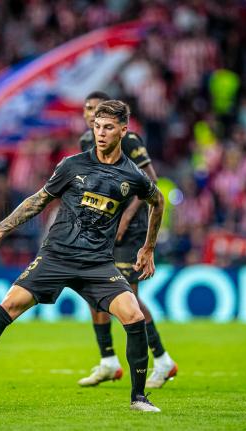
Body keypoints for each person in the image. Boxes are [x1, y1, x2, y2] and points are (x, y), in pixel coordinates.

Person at [0, 100, 165, 412]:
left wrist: (148, 247)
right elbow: (38, 201)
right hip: (56, 256)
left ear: (123, 131)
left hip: (98, 263)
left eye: (109, 128)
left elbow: (158, 200)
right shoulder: (72, 165)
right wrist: (1, 229)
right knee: (9, 305)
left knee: (134, 316)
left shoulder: (132, 175)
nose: (101, 133)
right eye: (97, 126)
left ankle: (139, 398)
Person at [78, 91, 177, 389]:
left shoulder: (129, 140)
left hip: (129, 229)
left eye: (97, 111)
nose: (92, 116)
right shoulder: (86, 143)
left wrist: (125, 217)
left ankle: (162, 360)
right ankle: (108, 360)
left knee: (126, 297)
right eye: (88, 110)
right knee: (93, 290)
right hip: (102, 228)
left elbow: (150, 181)